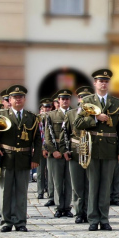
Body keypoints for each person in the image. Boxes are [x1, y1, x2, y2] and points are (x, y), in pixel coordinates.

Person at [74, 69, 119, 231]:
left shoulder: (117, 103)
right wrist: (95, 118)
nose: (103, 84)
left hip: (109, 149)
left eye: (106, 81)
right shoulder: (87, 101)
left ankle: (104, 219)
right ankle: (93, 219)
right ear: (95, 84)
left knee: (106, 186)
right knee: (93, 185)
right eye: (100, 81)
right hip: (92, 147)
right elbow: (77, 124)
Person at [0, 85, 42, 232]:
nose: (17, 100)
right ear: (10, 100)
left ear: (24, 99)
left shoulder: (31, 117)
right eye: (14, 97)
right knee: (5, 191)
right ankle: (6, 221)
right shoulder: (0, 115)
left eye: (20, 97)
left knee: (21, 191)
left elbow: (38, 140)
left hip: (24, 158)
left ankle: (20, 221)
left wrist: (35, 158)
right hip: (5, 157)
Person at [60, 86, 94, 224]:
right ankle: (80, 212)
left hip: (91, 151)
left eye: (87, 97)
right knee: (77, 184)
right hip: (75, 150)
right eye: (81, 97)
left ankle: (90, 211)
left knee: (91, 183)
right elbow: (64, 133)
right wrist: (64, 150)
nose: (83, 100)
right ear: (78, 99)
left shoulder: (94, 113)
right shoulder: (71, 114)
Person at [45, 89, 73, 218]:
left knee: (68, 181)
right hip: (55, 152)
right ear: (58, 101)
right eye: (63, 99)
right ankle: (58, 207)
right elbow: (47, 136)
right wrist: (54, 151)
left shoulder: (74, 114)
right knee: (56, 181)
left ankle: (67, 207)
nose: (65, 101)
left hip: (70, 152)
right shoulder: (51, 115)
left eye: (67, 99)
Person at [37, 98, 53, 199]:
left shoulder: (53, 117)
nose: (47, 109)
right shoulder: (38, 118)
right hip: (40, 147)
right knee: (40, 171)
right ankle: (40, 191)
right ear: (41, 108)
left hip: (51, 147)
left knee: (50, 171)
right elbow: (38, 135)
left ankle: (49, 189)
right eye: (45, 107)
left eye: (48, 107)